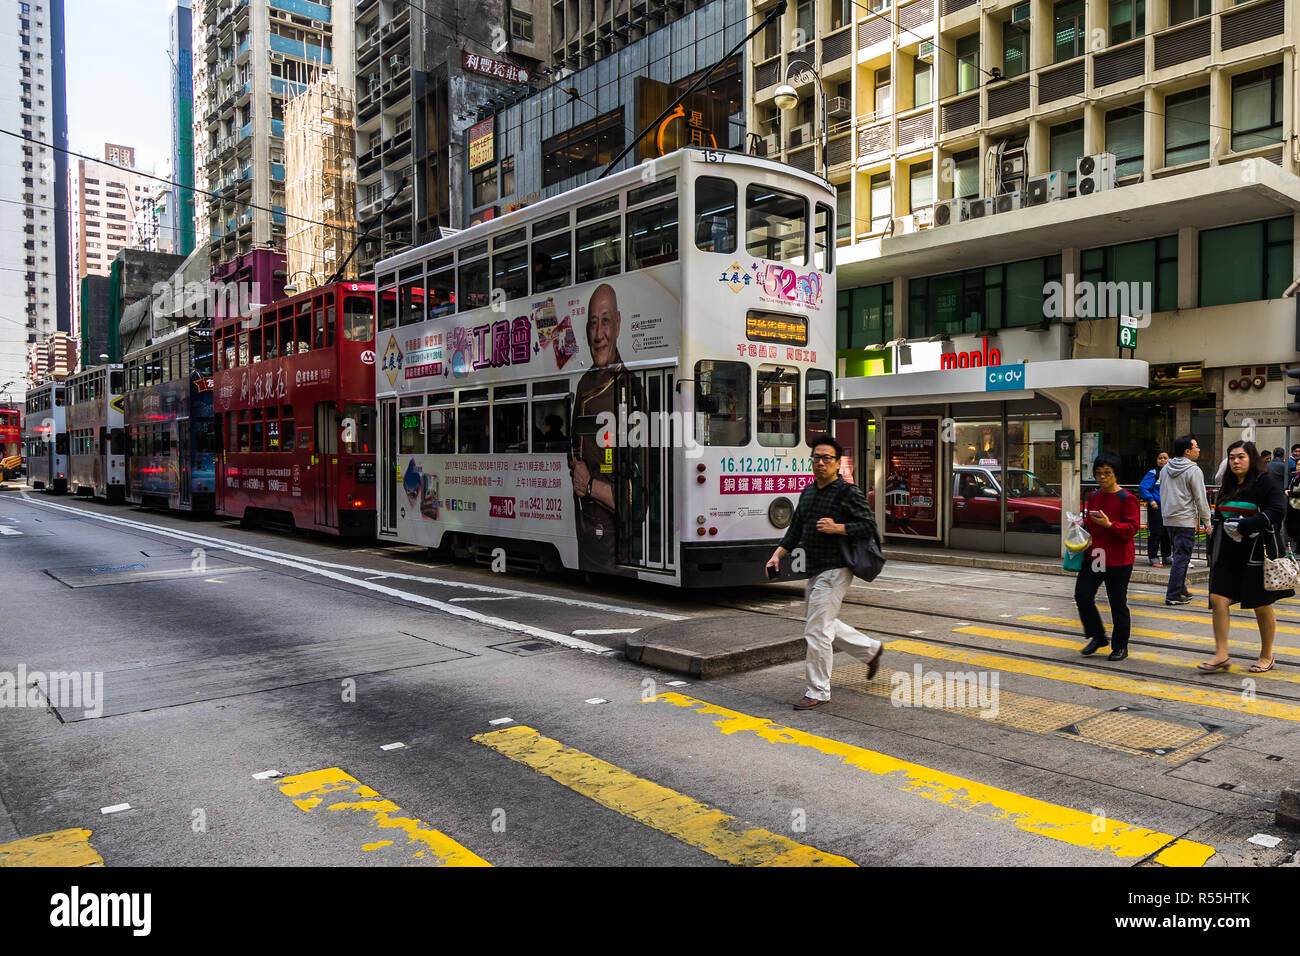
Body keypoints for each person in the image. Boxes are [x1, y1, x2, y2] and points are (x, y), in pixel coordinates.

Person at [766, 435, 883, 711]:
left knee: (816, 629)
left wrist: (839, 528)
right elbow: (795, 529)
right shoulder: (807, 492)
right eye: (816, 457)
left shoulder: (848, 493)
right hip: (815, 569)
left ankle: (818, 690)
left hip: (838, 568)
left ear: (837, 462)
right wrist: (777, 555)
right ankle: (871, 650)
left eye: (826, 458)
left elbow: (869, 526)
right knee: (824, 622)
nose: (820, 463)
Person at [1198, 441, 1294, 673]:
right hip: (1228, 552)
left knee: (1261, 605)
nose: (1236, 461)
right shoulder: (1228, 484)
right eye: (1231, 458)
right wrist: (1213, 546)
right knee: (1218, 599)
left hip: (1257, 554)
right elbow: (1220, 516)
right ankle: (1221, 654)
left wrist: (1247, 524)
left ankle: (1267, 655)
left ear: (1251, 458)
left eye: (1240, 457)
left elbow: (1278, 510)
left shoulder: (1265, 483)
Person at [570, 283, 644, 573]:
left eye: (606, 322)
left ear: (618, 324)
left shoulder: (631, 389)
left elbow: (638, 499)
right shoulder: (584, 383)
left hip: (617, 551)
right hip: (584, 545)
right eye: (592, 324)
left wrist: (589, 485)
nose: (599, 335)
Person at [1076, 452, 1141, 662]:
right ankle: (1097, 636)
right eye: (1098, 473)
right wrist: (1080, 524)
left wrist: (1110, 525)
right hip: (1096, 555)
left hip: (1119, 559)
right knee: (1083, 596)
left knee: (1117, 602)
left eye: (1107, 473)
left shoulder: (1127, 499)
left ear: (1116, 474)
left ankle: (1120, 645)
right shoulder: (1093, 496)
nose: (1102, 477)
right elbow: (1090, 522)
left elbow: (1133, 529)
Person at [1162, 434, 1212, 606]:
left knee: (1179, 555)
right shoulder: (1193, 470)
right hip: (1184, 519)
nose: (1199, 449)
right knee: (1182, 557)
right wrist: (1207, 522)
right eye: (1196, 447)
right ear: (1187, 451)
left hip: (1169, 519)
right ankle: (1173, 594)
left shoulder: (1165, 468)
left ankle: (1181, 589)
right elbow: (1200, 498)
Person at [1138, 451, 1171, 567]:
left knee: (1167, 533)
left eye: (1165, 458)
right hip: (1157, 508)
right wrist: (1151, 500)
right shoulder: (1153, 473)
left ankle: (1167, 557)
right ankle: (1153, 557)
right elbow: (1143, 487)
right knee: (1156, 533)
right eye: (1160, 458)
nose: (1162, 460)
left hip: (1169, 509)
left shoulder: (1172, 472)